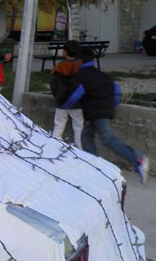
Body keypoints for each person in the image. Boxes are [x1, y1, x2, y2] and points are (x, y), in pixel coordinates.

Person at [60, 47, 149, 184]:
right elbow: (117, 91)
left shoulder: (81, 76)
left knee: (108, 139)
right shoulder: (102, 75)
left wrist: (63, 107)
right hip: (104, 109)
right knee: (86, 136)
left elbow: (75, 95)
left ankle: (138, 159)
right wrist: (112, 106)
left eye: (76, 61)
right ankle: (95, 167)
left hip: (97, 111)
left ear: (80, 61)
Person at [49, 40, 83, 143]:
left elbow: (53, 83)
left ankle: (54, 146)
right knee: (78, 127)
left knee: (58, 126)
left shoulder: (59, 66)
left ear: (65, 52)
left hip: (62, 101)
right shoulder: (81, 66)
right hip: (78, 102)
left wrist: (57, 95)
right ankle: (80, 149)